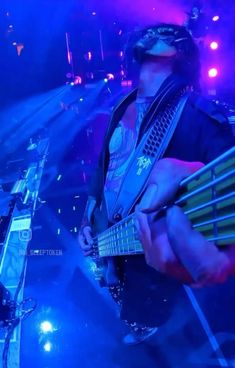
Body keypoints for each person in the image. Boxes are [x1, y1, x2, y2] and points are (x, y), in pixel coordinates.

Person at [78, 23, 235, 345]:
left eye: (165, 34)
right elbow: (104, 170)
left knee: (155, 337)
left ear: (182, 54)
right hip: (111, 244)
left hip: (153, 276)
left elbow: (227, 200)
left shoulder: (201, 117)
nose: (153, 34)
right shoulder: (123, 106)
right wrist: (87, 217)